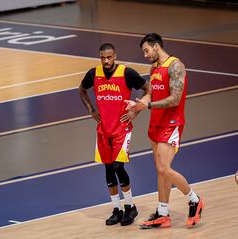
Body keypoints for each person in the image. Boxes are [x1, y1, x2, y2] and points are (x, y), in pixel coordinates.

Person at [125, 33, 204, 228]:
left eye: (146, 50)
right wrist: (138, 107)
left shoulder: (176, 66)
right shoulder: (154, 68)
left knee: (164, 169)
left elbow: (175, 99)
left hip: (171, 123)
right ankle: (162, 214)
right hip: (155, 123)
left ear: (156, 46)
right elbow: (151, 94)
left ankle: (194, 200)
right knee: (160, 172)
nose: (145, 55)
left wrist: (147, 106)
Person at [79, 43, 149, 226]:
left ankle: (130, 207)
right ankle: (116, 209)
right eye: (103, 57)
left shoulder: (127, 73)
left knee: (118, 166)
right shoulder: (94, 74)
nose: (106, 61)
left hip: (121, 129)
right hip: (104, 130)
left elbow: (148, 90)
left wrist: (136, 110)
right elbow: (82, 90)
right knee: (108, 169)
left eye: (109, 57)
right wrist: (91, 110)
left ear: (115, 56)